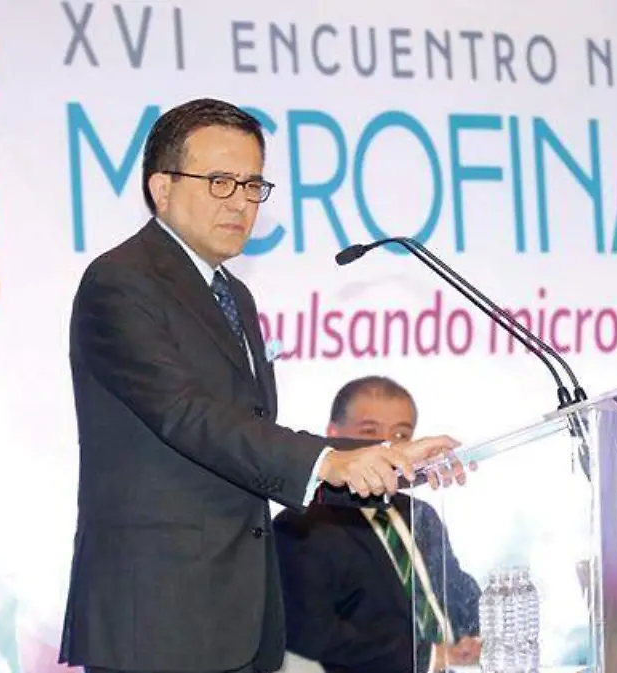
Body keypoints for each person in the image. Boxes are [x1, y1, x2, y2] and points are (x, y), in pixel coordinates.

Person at [58, 98, 466, 673]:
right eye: (220, 182)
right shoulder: (121, 281)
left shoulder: (232, 294)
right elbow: (187, 415)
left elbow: (248, 433)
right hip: (157, 618)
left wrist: (383, 457)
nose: (241, 202)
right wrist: (329, 460)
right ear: (161, 188)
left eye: (252, 185)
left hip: (236, 617)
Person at [274, 376, 482, 673]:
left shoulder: (418, 512)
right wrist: (430, 658)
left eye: (400, 435)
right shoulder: (301, 526)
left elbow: (454, 585)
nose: (387, 447)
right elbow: (311, 633)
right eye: (369, 431)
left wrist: (476, 635)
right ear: (333, 435)